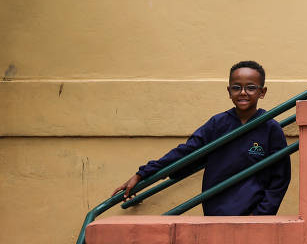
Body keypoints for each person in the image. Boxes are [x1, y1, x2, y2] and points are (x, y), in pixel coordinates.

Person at [112, 60, 290, 216]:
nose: (243, 92)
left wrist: (260, 214)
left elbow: (280, 178)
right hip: (217, 211)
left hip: (253, 214)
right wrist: (142, 174)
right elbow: (185, 152)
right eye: (236, 87)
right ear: (229, 91)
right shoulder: (217, 124)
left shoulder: (270, 128)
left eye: (251, 87)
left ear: (262, 92)